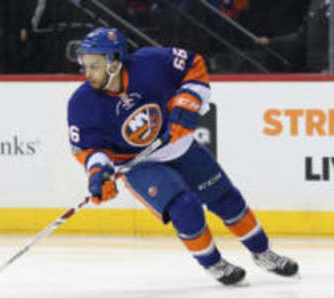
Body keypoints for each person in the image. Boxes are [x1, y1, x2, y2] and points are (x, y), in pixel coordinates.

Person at [67, 27, 299, 285]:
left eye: (94, 66)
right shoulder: (81, 103)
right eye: (84, 66)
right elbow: (89, 148)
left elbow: (194, 64)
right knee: (185, 207)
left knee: (226, 198)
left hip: (179, 145)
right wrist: (99, 175)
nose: (87, 74)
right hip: (139, 165)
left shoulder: (150, 63)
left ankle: (262, 252)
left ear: (114, 62)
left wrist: (186, 107)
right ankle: (214, 264)